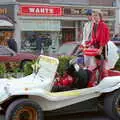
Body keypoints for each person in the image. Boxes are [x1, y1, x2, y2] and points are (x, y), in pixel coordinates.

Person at [88, 9, 110, 80]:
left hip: (102, 47)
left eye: (96, 15)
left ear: (100, 16)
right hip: (96, 46)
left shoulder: (103, 25)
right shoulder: (94, 25)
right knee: (97, 65)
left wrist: (100, 48)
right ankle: (99, 80)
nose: (94, 17)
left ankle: (106, 80)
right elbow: (93, 38)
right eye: (94, 15)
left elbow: (103, 38)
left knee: (102, 66)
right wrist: (89, 45)